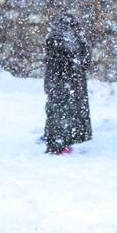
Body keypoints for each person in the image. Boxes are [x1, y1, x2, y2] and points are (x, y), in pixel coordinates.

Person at [43, 13, 92, 154]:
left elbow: (84, 60)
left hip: (62, 83)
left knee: (60, 113)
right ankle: (57, 143)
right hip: (62, 83)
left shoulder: (65, 38)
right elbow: (64, 61)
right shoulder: (59, 39)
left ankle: (59, 141)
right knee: (61, 114)